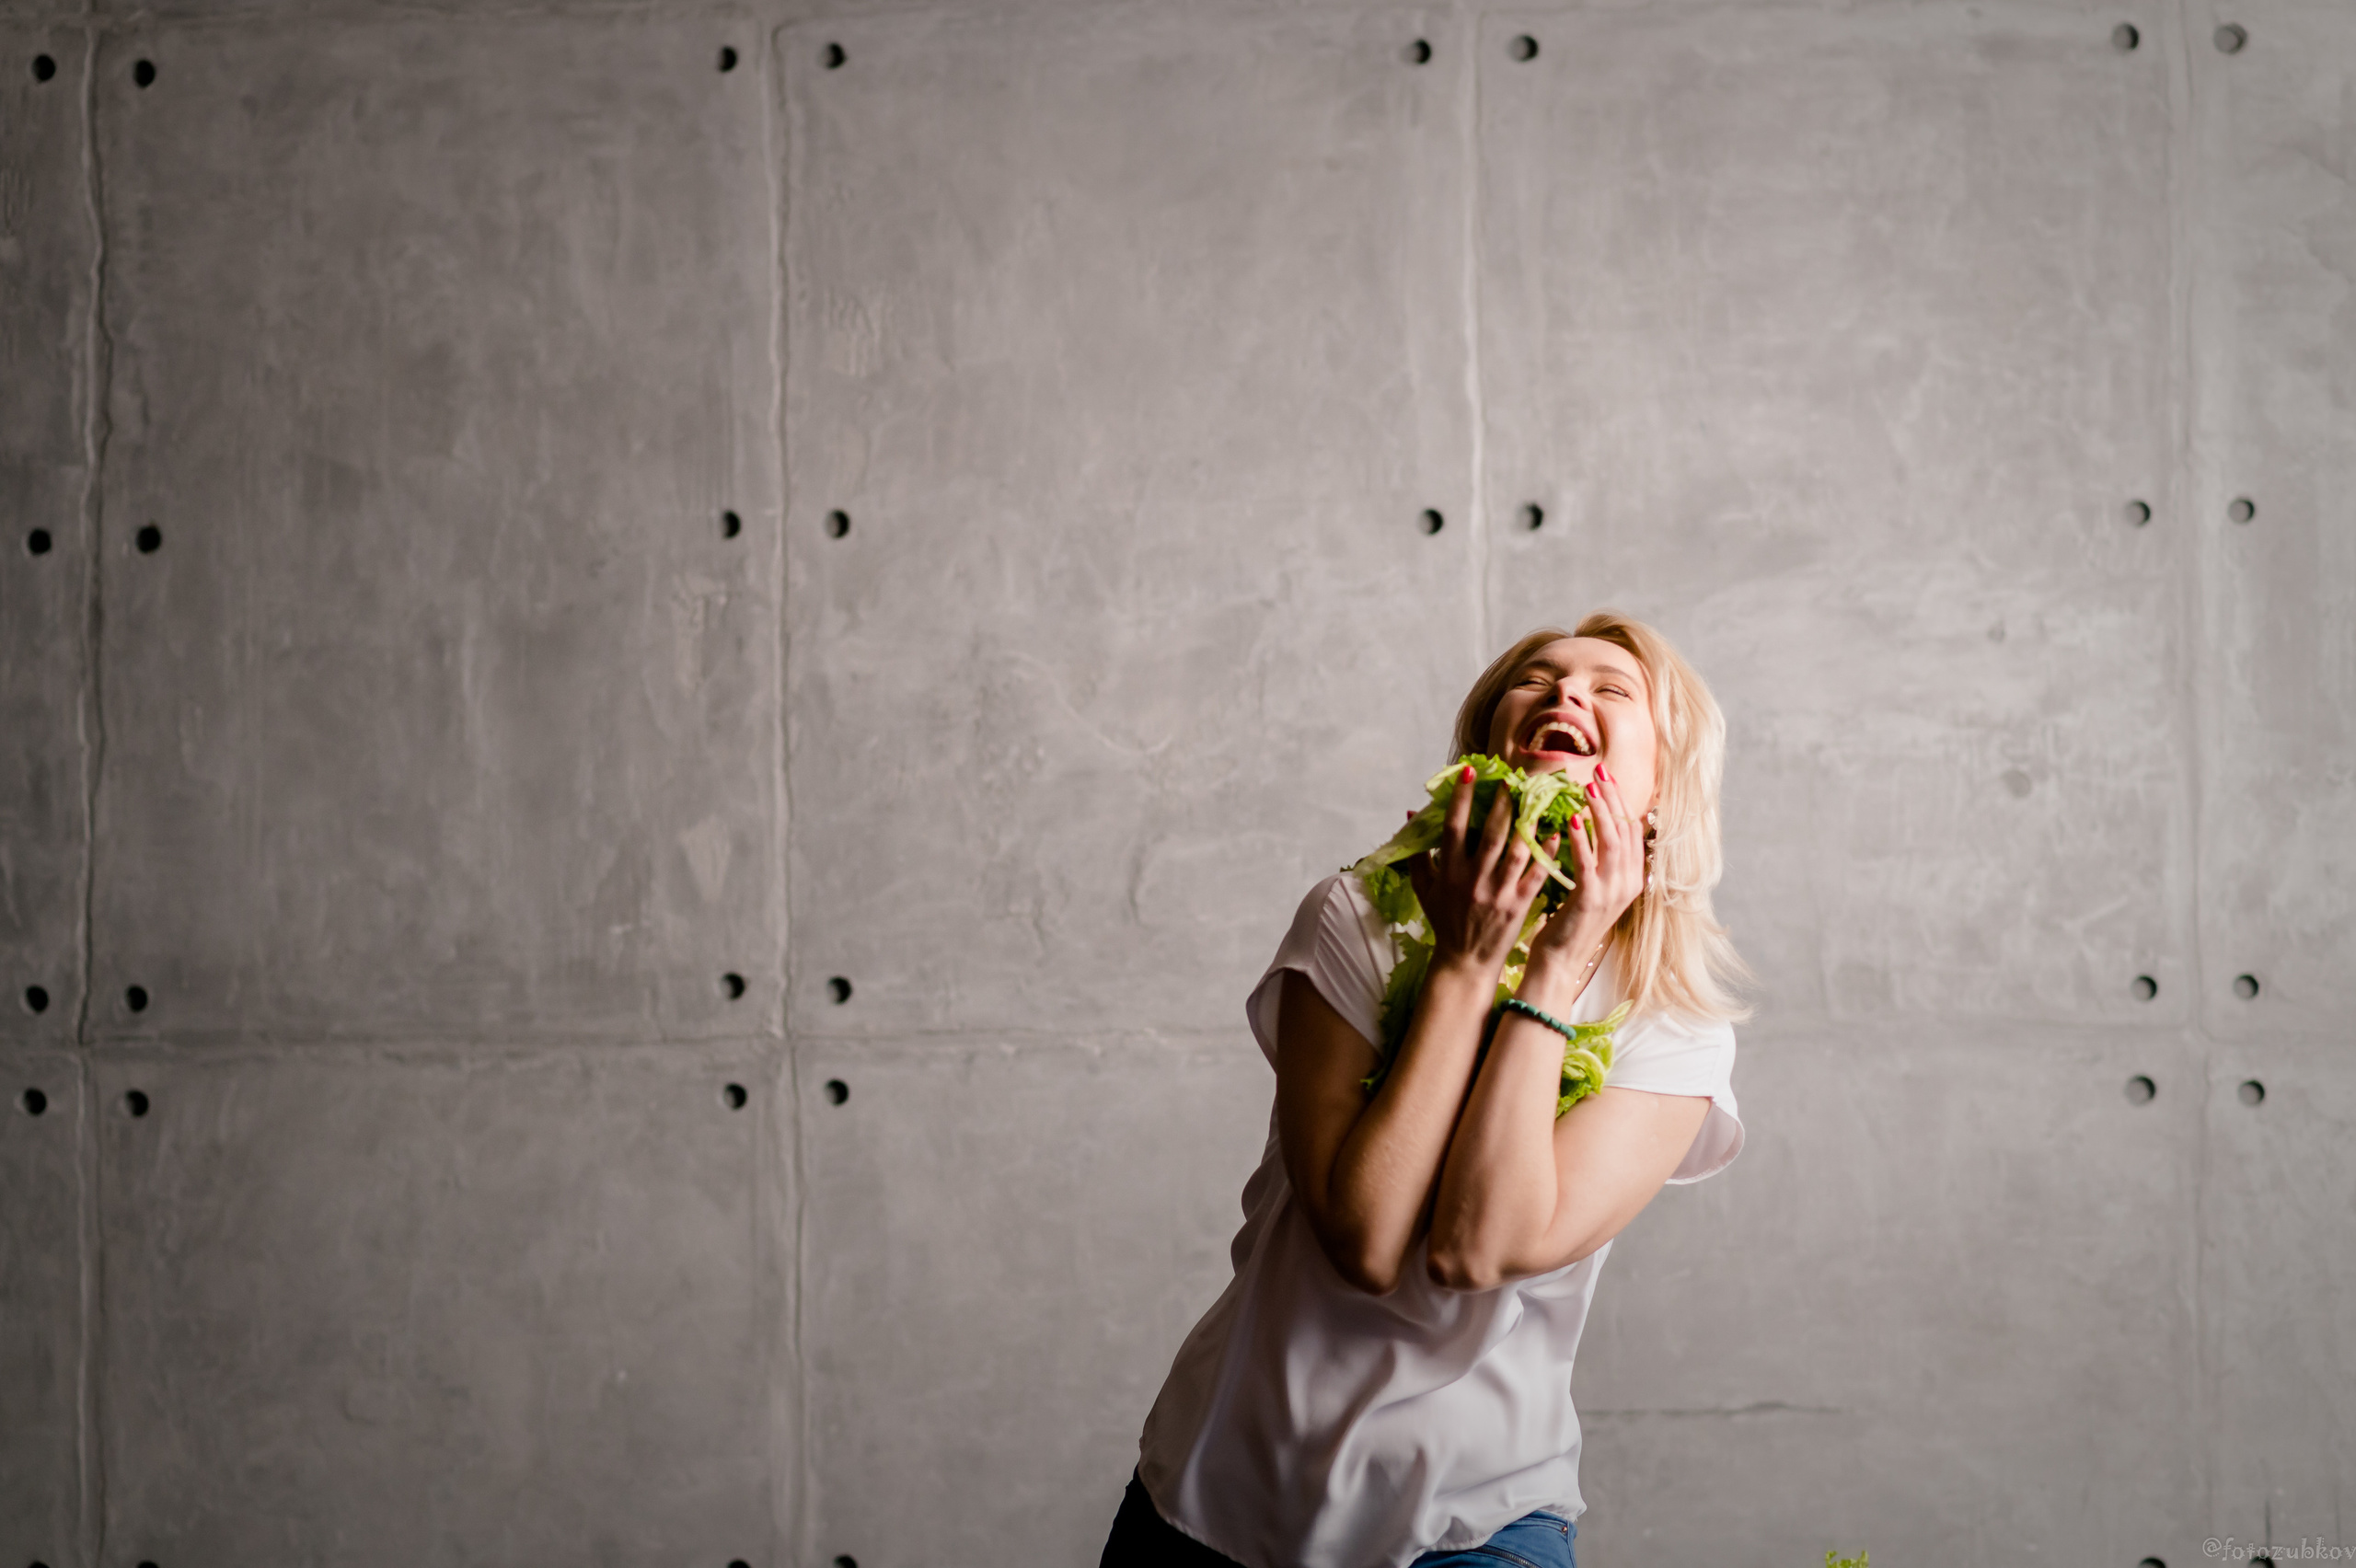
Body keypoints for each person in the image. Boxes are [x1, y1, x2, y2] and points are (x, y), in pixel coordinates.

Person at [1100, 612, 1751, 1568]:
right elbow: (1364, 1240)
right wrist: (1464, 961)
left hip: (1472, 1523)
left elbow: (1475, 1252)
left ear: (1661, 790)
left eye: (1611, 690)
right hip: (1215, 1496)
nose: (1563, 693)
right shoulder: (1354, 917)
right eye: (1534, 680)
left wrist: (1554, 966)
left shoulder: (1674, 1017)